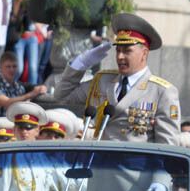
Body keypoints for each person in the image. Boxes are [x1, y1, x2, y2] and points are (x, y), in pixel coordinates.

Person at [55, 13, 181, 144]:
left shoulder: (162, 92)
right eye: (118, 50)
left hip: (134, 163)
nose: (120, 56)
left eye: (127, 51)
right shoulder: (102, 81)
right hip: (99, 161)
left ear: (144, 53)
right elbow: (62, 96)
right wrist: (80, 64)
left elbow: (168, 144)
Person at [0, 52, 47, 117]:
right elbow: (7, 102)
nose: (12, 69)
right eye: (8, 67)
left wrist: (41, 88)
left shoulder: (19, 87)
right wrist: (32, 94)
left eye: (14, 66)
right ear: (1, 68)